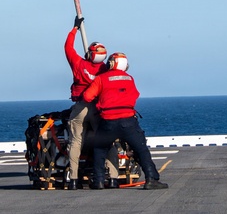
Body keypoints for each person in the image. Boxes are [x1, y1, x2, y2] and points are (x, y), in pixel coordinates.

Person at [82, 52, 169, 190]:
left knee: (99, 149)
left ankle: (98, 181)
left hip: (108, 121)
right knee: (141, 149)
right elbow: (135, 95)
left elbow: (87, 96)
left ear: (111, 63)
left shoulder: (101, 78)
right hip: (128, 121)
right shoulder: (129, 78)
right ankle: (151, 179)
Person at [63, 16, 118, 189]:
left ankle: (73, 179)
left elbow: (68, 47)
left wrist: (74, 29)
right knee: (107, 141)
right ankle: (114, 177)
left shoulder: (79, 64)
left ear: (89, 54)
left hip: (80, 107)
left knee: (75, 141)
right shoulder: (105, 70)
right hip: (99, 108)